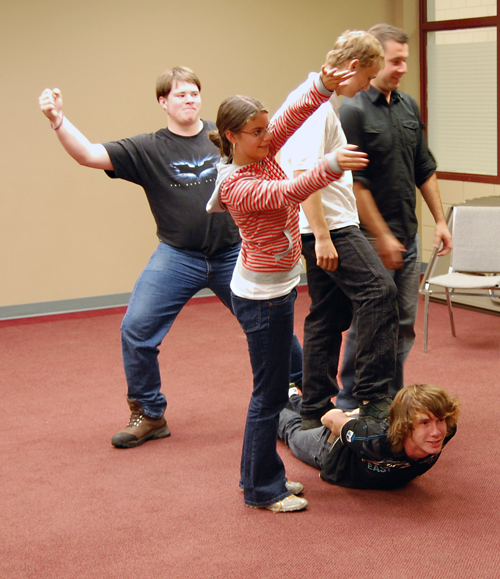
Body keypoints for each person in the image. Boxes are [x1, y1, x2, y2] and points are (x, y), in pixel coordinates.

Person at [38, 66, 303, 449]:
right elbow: (88, 155)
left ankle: (304, 396)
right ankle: (149, 412)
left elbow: (274, 146)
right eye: (180, 95)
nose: (189, 100)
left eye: (194, 93)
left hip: (235, 253)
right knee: (137, 330)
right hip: (178, 256)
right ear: (163, 102)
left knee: (273, 328)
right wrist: (58, 120)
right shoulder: (148, 148)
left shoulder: (225, 137)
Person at [206, 61, 370, 512]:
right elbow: (287, 194)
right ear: (232, 136)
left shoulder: (261, 150)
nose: (267, 137)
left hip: (276, 290)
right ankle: (261, 489)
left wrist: (322, 83)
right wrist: (331, 164)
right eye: (256, 132)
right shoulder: (238, 184)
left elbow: (291, 115)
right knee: (270, 395)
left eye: (265, 129)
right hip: (261, 298)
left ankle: (259, 479)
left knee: (275, 391)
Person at [278, 30, 398, 430]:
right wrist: (323, 235)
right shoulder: (315, 109)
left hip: (324, 226)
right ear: (352, 68)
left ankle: (313, 406)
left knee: (327, 315)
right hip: (330, 228)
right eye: (367, 77)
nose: (366, 86)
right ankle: (375, 398)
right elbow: (301, 176)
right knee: (380, 292)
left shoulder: (316, 101)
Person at [337, 24, 453, 411]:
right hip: (372, 239)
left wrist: (439, 220)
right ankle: (353, 398)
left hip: (408, 234)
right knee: (370, 323)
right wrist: (383, 236)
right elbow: (357, 184)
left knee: (403, 324)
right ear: (374, 59)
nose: (403, 67)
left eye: (406, 59)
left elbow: (424, 167)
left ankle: (390, 398)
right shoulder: (352, 109)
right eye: (396, 60)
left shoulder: (407, 106)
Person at [279, 383, 460, 490]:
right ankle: (270, 406)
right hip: (332, 447)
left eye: (440, 420)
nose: (436, 432)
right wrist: (352, 419)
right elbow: (329, 418)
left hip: (360, 427)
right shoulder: (375, 441)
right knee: (291, 428)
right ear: (405, 426)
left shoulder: (448, 430)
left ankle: (291, 395)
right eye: (425, 423)